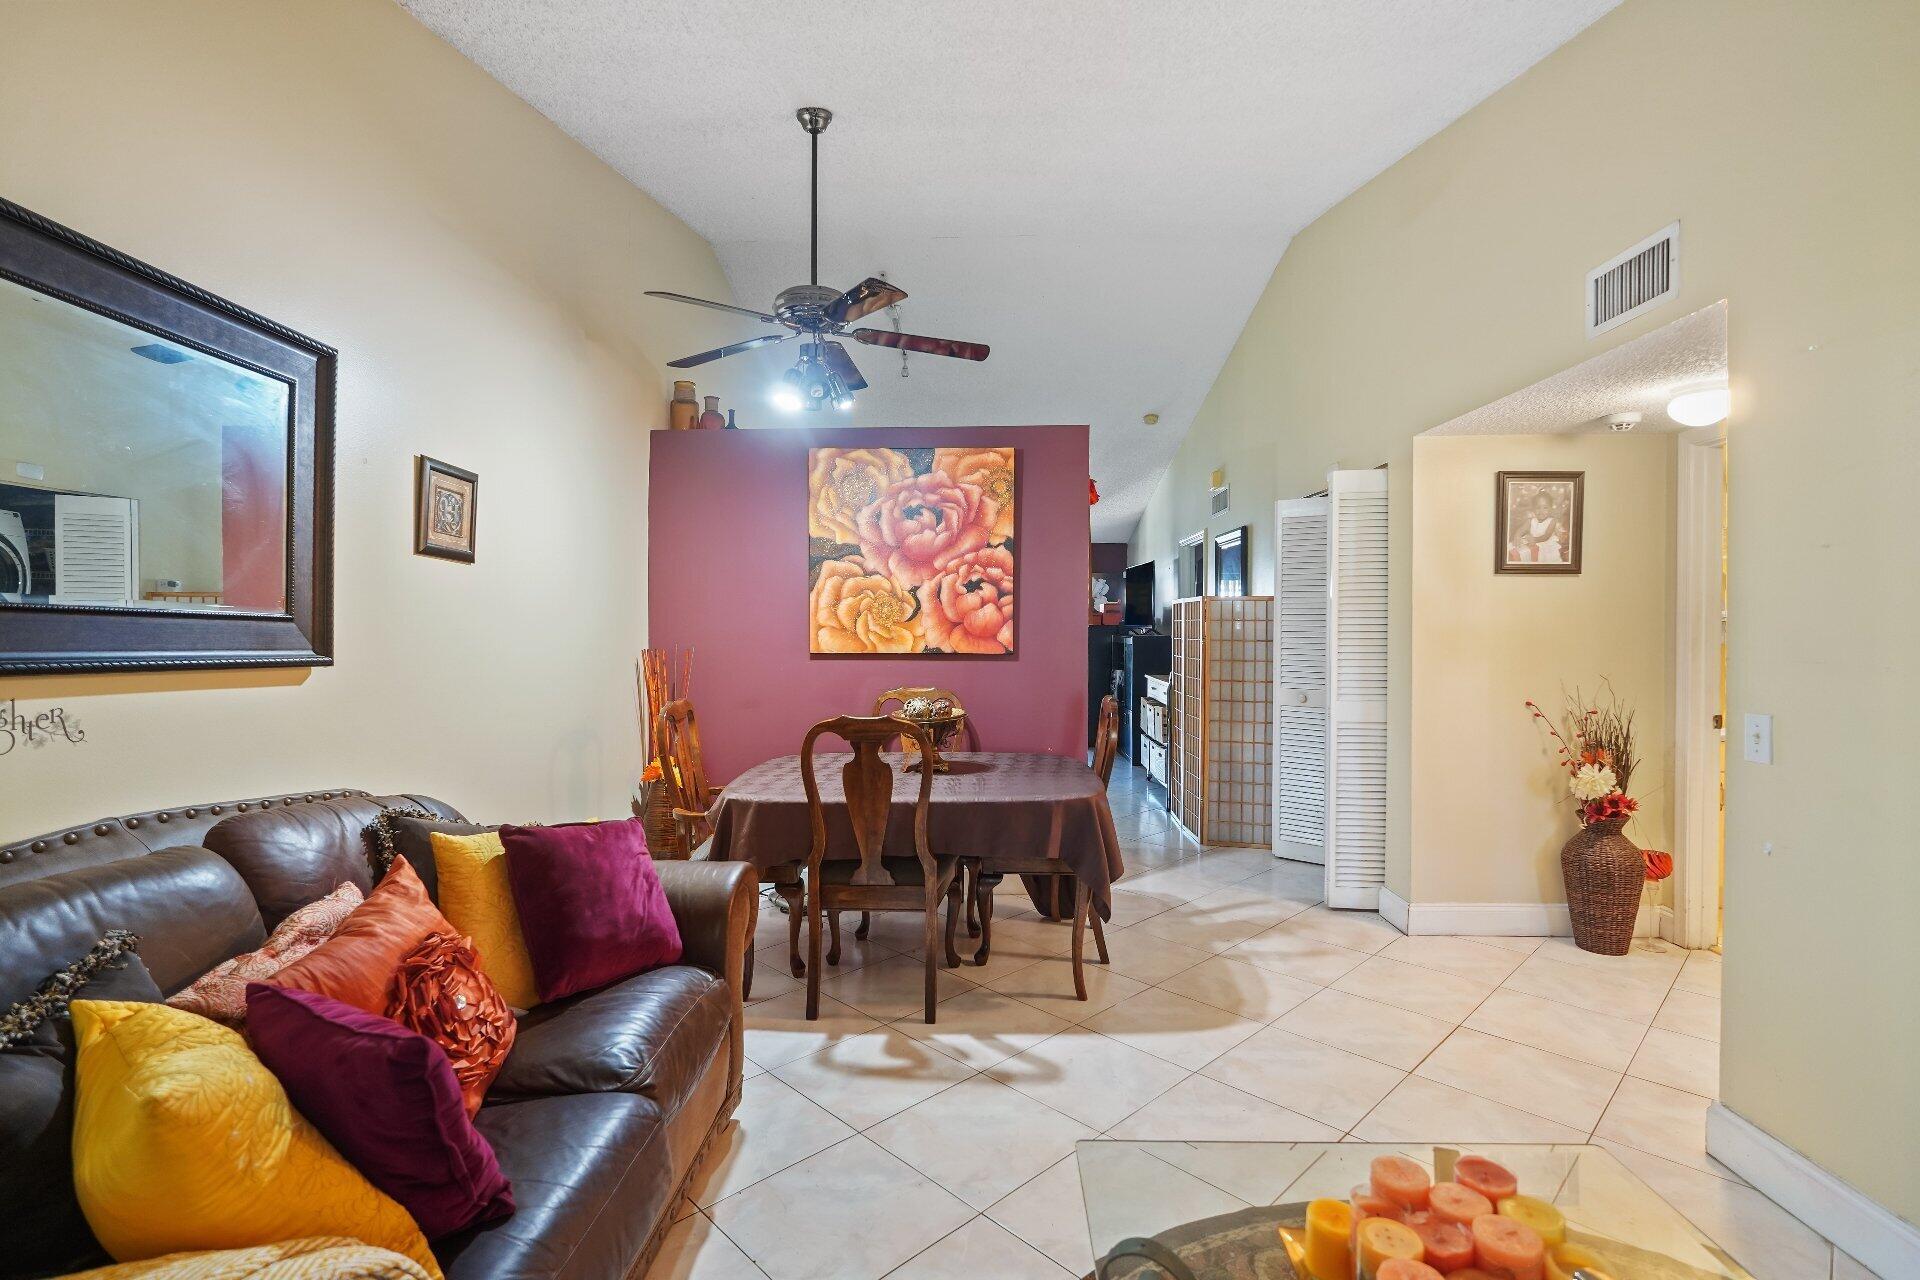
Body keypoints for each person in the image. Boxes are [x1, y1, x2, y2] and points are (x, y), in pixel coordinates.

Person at [1511, 491, 1566, 563]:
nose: (1541, 511)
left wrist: (1534, 539)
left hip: (1547, 546)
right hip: (1534, 544)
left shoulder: (1552, 521)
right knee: (1521, 551)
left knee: (1548, 558)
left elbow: (1546, 536)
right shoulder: (1530, 521)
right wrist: (1517, 536)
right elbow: (1520, 530)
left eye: (1545, 508)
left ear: (1550, 508)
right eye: (1538, 508)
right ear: (1533, 509)